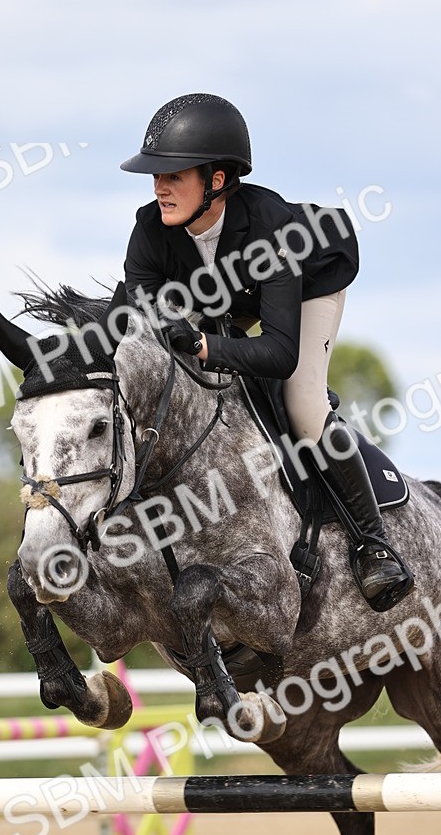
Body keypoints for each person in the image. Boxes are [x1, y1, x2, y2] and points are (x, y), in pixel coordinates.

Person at [120, 93, 413, 612]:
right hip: (229, 292)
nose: (160, 187)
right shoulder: (149, 231)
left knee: (301, 402)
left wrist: (206, 343)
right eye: (155, 177)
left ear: (216, 180)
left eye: (174, 175)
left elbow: (278, 352)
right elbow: (147, 319)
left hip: (310, 280)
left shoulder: (271, 229)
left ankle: (374, 545)